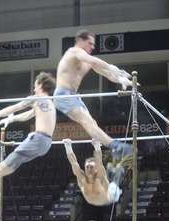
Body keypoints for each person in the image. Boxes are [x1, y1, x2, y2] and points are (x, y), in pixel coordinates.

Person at [55, 29, 134, 159]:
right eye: (90, 43)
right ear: (80, 41)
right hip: (63, 94)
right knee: (86, 121)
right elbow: (95, 61)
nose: (93, 47)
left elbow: (104, 72)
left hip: (73, 95)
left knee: (92, 122)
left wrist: (120, 79)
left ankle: (113, 148)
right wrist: (111, 67)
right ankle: (116, 146)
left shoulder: (87, 61)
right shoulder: (74, 52)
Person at [0, 72, 56, 184]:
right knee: (17, 160)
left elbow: (15, 107)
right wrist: (11, 119)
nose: (34, 88)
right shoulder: (50, 103)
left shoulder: (36, 98)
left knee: (14, 157)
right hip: (46, 143)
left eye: (35, 85)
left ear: (40, 85)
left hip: (39, 138)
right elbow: (28, 115)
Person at [63, 138, 124, 206]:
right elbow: (73, 162)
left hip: (110, 197)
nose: (89, 169)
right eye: (87, 167)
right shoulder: (82, 178)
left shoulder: (100, 176)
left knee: (113, 178)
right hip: (95, 200)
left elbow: (99, 162)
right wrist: (68, 146)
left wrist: (97, 145)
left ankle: (118, 186)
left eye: (91, 167)